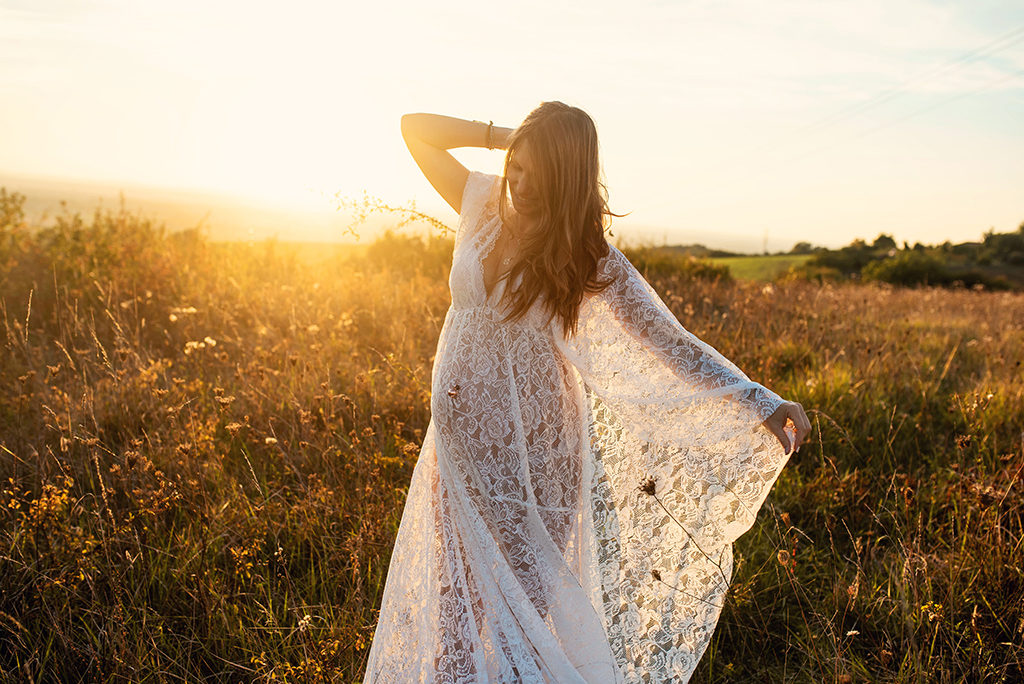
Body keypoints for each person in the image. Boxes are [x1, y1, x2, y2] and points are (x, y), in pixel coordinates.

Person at [364, 102, 811, 683]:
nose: (519, 185)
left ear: (567, 178)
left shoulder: (584, 255)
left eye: (536, 175)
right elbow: (413, 129)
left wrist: (760, 401)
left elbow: (669, 344)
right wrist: (511, 138)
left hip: (539, 455)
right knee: (455, 601)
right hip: (462, 450)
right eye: (515, 169)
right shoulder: (480, 202)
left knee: (520, 618)